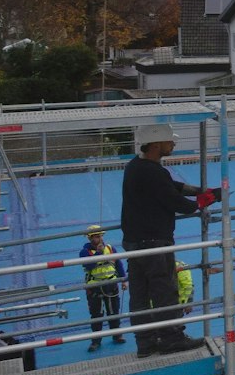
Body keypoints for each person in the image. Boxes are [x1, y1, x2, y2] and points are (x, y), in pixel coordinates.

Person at [121, 123, 221, 358]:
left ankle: (145, 342)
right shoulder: (153, 171)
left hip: (135, 241)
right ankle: (171, 338)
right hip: (154, 241)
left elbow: (171, 186)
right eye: (169, 141)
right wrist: (208, 198)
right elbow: (181, 205)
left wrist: (198, 190)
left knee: (140, 293)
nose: (173, 144)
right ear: (156, 145)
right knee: (164, 290)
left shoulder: (136, 166)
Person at [78, 225, 126, 352]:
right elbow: (88, 266)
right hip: (95, 288)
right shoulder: (85, 252)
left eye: (99, 236)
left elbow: (118, 264)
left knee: (113, 312)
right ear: (90, 238)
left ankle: (117, 335)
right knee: (96, 315)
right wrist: (99, 253)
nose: (98, 239)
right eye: (95, 237)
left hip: (111, 284)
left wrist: (123, 280)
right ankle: (96, 341)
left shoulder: (110, 249)